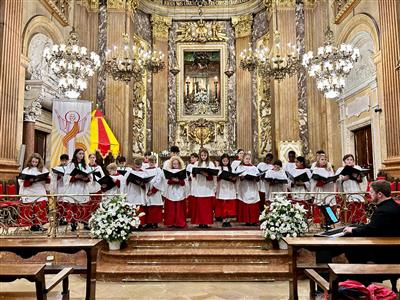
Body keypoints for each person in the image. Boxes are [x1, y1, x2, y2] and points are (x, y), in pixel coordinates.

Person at [18, 153, 50, 231]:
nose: (34, 163)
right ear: (30, 161)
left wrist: (47, 178)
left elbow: (48, 181)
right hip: (29, 191)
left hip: (39, 190)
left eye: (36, 162)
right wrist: (29, 181)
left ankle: (38, 225)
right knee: (30, 209)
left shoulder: (43, 169)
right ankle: (31, 225)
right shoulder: (26, 170)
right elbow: (21, 181)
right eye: (33, 162)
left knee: (39, 209)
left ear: (39, 162)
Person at [64, 148, 93, 231]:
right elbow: (66, 177)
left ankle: (85, 222)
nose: (81, 155)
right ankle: (73, 223)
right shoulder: (71, 164)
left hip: (83, 187)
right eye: (80, 153)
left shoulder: (85, 165)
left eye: (83, 154)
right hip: (74, 187)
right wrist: (75, 177)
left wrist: (86, 178)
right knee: (73, 205)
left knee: (84, 205)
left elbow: (90, 177)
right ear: (76, 154)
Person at [335, 154, 367, 223]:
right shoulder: (340, 169)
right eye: (347, 159)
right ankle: (347, 221)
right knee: (347, 206)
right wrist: (343, 179)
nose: (349, 161)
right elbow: (336, 181)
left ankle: (359, 221)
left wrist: (358, 178)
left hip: (356, 190)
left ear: (353, 161)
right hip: (346, 190)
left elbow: (363, 180)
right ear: (344, 161)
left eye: (351, 160)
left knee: (357, 206)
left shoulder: (357, 168)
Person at [191, 148, 216, 228]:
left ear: (207, 155)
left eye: (205, 155)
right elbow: (193, 175)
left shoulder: (211, 164)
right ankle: (200, 222)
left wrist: (207, 174)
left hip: (207, 187)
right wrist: (196, 173)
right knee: (199, 207)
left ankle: (206, 222)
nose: (203, 157)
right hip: (199, 187)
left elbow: (214, 175)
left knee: (207, 207)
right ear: (199, 156)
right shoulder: (196, 163)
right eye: (202, 155)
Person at [163, 156, 188, 228]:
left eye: (176, 164)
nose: (175, 165)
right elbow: (166, 181)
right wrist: (171, 180)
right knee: (171, 208)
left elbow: (185, 182)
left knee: (179, 207)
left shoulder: (183, 171)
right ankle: (170, 222)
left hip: (179, 190)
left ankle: (179, 222)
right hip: (171, 190)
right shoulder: (169, 171)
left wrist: (179, 181)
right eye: (174, 164)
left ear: (179, 164)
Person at [310, 155, 336, 224]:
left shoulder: (329, 169)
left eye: (325, 159)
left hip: (328, 190)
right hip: (320, 190)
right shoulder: (316, 169)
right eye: (322, 159)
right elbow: (313, 182)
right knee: (321, 206)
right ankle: (321, 222)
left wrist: (331, 180)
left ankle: (332, 220)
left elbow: (332, 178)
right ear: (318, 161)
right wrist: (312, 193)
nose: (324, 161)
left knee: (328, 206)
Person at [236, 153, 260, 226]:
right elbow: (237, 176)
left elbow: (258, 176)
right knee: (245, 201)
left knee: (253, 202)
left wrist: (257, 178)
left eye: (249, 159)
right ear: (243, 159)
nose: (248, 160)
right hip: (244, 187)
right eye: (246, 158)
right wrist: (242, 177)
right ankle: (246, 220)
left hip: (252, 186)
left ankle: (253, 220)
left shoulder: (254, 168)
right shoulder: (240, 167)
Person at [215, 154, 237, 227]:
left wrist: (233, 178)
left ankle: (228, 220)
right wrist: (220, 176)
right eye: (224, 161)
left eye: (226, 161)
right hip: (222, 187)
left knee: (229, 205)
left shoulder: (231, 168)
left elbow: (234, 177)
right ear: (221, 161)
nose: (225, 162)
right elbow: (216, 178)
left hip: (230, 187)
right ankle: (224, 220)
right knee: (223, 204)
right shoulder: (219, 168)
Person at [124, 157, 147, 225]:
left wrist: (143, 184)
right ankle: (132, 224)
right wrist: (129, 180)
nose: (137, 168)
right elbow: (124, 181)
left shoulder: (144, 172)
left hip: (140, 192)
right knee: (132, 208)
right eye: (136, 167)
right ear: (134, 165)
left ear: (141, 166)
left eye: (139, 167)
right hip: (132, 192)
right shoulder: (129, 172)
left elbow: (147, 183)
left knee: (140, 208)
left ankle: (141, 224)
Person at [144, 155, 165, 229]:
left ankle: (155, 222)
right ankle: (149, 222)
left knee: (155, 208)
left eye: (153, 162)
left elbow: (159, 181)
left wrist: (153, 190)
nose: (151, 163)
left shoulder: (158, 170)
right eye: (150, 161)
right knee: (148, 208)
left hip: (155, 192)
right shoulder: (145, 170)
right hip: (146, 190)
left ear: (155, 162)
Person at [186, 152, 199, 220]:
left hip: (197, 183)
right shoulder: (189, 166)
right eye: (191, 157)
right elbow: (187, 175)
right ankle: (190, 213)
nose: (192, 159)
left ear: (197, 158)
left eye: (193, 157)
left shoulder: (198, 164)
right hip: (191, 184)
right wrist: (189, 177)